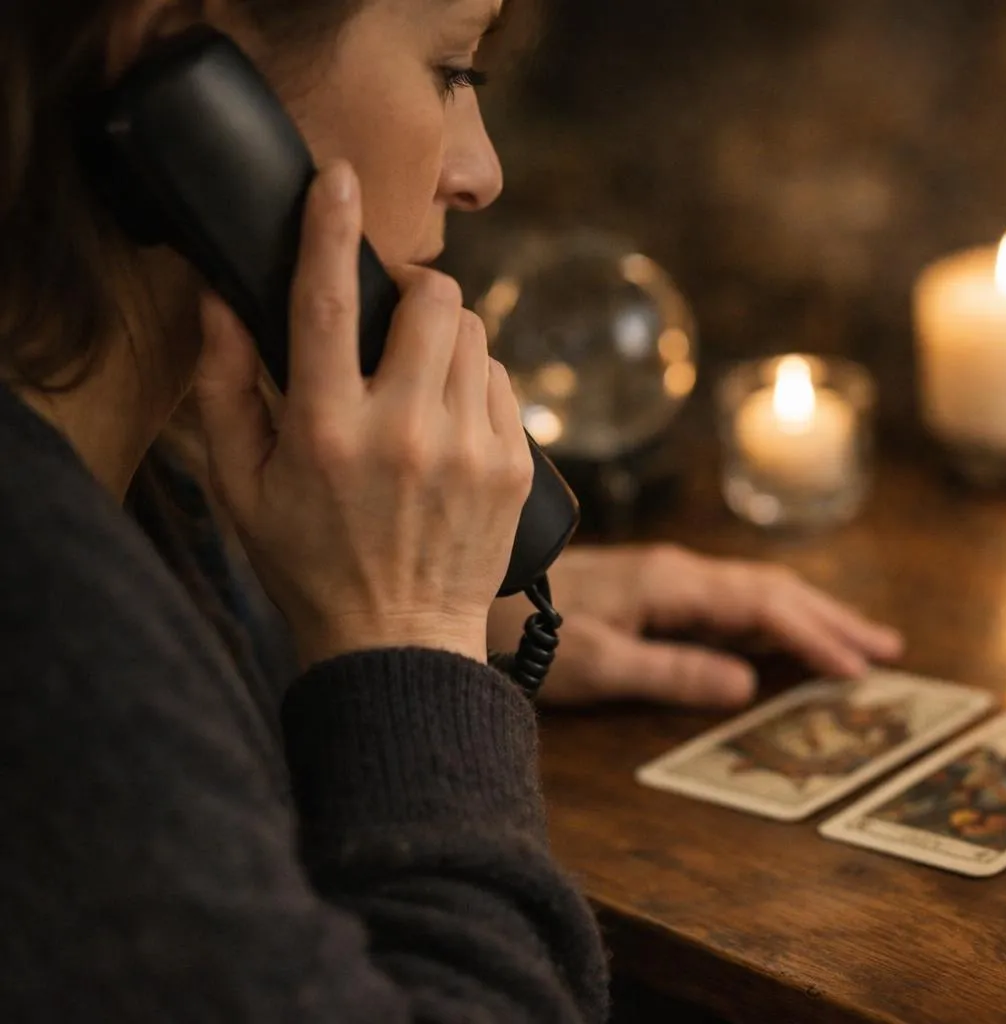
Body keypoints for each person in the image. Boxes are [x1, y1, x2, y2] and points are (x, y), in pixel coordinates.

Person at [0, 1, 901, 1021]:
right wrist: (411, 653)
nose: (481, 173)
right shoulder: (42, 622)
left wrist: (444, 587)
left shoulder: (119, 505)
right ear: (178, 64)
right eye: (451, 72)